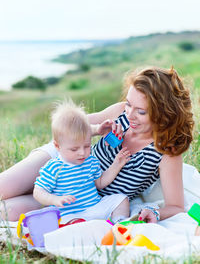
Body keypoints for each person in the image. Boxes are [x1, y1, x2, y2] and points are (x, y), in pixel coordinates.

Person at [0, 66, 194, 223]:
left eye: (141, 112)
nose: (129, 114)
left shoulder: (166, 152)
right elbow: (67, 125)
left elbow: (176, 206)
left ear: (164, 112)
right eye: (128, 104)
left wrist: (155, 212)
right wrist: (96, 129)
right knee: (3, 188)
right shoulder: (119, 113)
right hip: (61, 160)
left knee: (6, 212)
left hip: (80, 199)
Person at [33, 100, 130, 223]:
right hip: (70, 214)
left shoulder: (91, 161)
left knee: (121, 199)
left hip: (94, 207)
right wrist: (54, 199)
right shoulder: (54, 167)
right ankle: (83, 229)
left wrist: (117, 165)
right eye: (74, 149)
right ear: (57, 146)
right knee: (67, 221)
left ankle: (120, 223)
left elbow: (100, 182)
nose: (82, 153)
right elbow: (38, 191)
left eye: (86, 146)